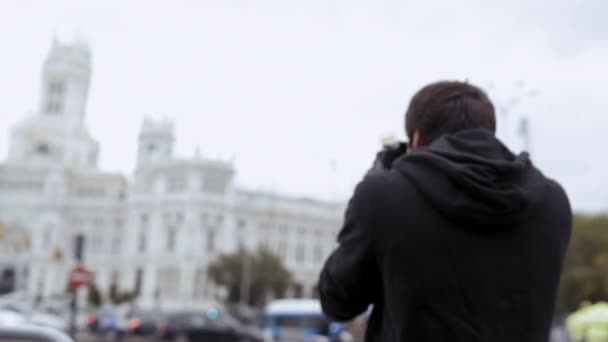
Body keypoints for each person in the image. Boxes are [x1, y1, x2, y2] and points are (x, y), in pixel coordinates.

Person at [318, 81, 572, 341]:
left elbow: (338, 301)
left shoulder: (383, 194)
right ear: (489, 132)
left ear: (416, 138)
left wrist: (375, 186)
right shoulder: (552, 201)